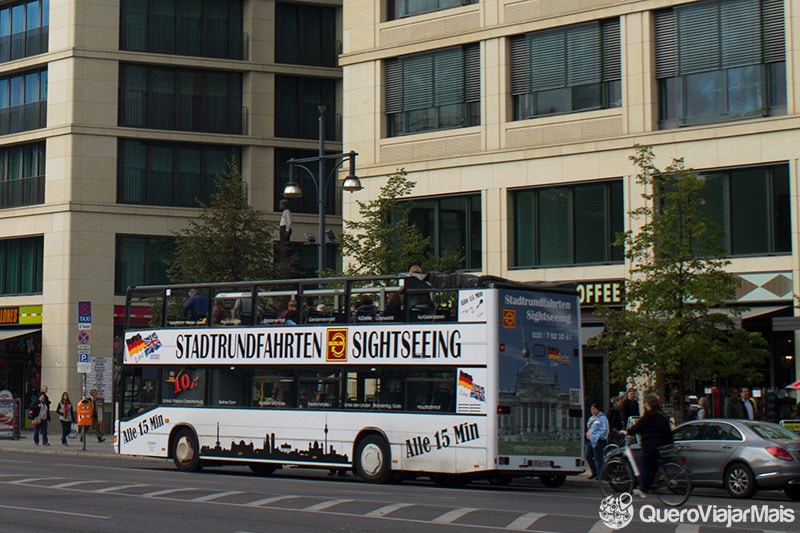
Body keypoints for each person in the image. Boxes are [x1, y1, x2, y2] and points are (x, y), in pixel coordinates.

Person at [620, 395, 673, 498]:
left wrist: (627, 431)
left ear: (648, 404)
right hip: (663, 445)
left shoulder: (649, 415)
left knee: (644, 465)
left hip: (651, 445)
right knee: (652, 466)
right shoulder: (661, 414)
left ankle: (643, 489)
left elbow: (639, 426)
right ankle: (651, 484)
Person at [585, 403, 609, 480]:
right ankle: (594, 472)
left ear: (598, 409)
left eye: (594, 409)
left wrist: (598, 436)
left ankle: (600, 474)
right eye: (591, 409)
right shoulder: (591, 418)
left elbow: (604, 429)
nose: (592, 411)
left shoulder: (602, 418)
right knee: (588, 456)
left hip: (598, 441)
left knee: (598, 458)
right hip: (590, 440)